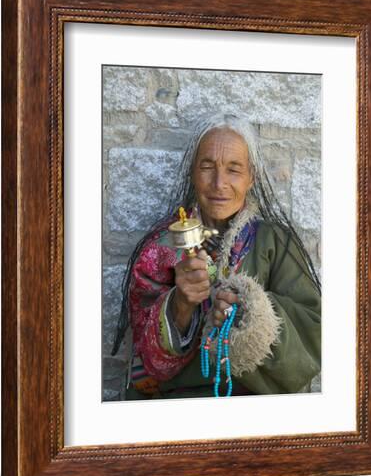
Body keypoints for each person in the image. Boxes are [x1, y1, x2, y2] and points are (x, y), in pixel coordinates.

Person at [111, 113, 321, 399]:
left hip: (256, 408)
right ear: (193, 173)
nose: (219, 183)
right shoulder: (160, 248)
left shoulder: (276, 244)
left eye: (234, 169)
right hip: (177, 407)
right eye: (207, 167)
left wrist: (248, 310)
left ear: (251, 178)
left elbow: (314, 332)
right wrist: (181, 304)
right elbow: (145, 356)